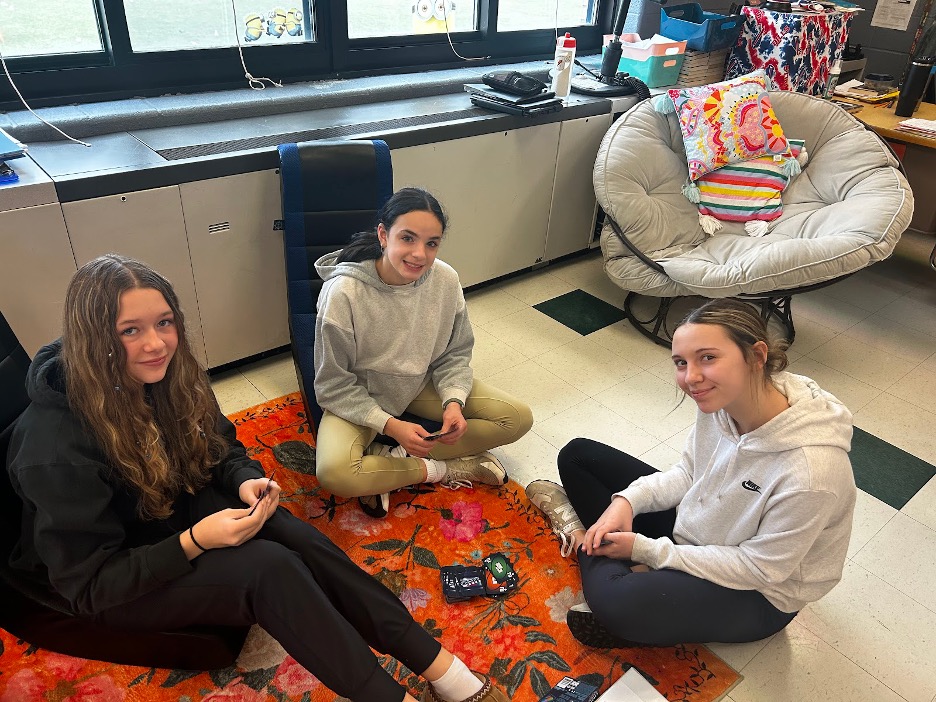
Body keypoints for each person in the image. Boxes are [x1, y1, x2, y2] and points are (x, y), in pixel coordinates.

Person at [5, 254, 507, 702]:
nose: (156, 344)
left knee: (292, 534)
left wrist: (244, 477)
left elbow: (218, 442)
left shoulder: (165, 374)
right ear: (95, 339)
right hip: (110, 574)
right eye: (129, 331)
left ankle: (436, 664)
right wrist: (196, 540)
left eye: (164, 322)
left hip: (161, 506)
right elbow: (88, 587)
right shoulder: (54, 449)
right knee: (267, 568)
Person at [525, 298, 856, 647]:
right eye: (681, 362)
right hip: (699, 529)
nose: (691, 378)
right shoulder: (722, 401)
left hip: (759, 593)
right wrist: (626, 502)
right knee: (578, 456)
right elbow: (688, 473)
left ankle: (582, 540)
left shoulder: (811, 472)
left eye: (708, 358)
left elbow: (761, 568)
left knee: (619, 603)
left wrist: (647, 550)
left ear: (757, 357)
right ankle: (609, 561)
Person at [313, 187, 533, 517]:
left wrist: (454, 401)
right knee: (333, 473)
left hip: (418, 383)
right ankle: (445, 470)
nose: (420, 254)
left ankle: (390, 462)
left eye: (431, 243)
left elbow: (455, 352)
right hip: (361, 395)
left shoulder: (445, 279)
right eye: (408, 238)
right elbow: (332, 385)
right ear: (384, 235)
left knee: (517, 418)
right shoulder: (343, 294)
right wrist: (389, 425)